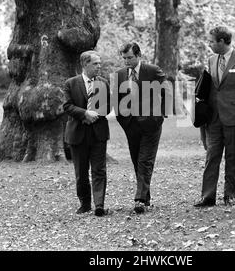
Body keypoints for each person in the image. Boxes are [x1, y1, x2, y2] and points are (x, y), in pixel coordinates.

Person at [194, 26, 235, 207]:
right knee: (211, 157)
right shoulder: (212, 59)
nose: (210, 44)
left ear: (222, 41)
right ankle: (207, 197)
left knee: (232, 157)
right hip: (213, 118)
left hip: (234, 117)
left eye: (212, 41)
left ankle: (230, 195)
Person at [114, 42, 171, 214]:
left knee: (145, 161)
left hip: (151, 124)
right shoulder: (120, 74)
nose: (127, 61)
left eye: (130, 57)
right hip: (130, 125)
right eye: (124, 58)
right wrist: (122, 120)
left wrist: (160, 115)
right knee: (136, 160)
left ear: (139, 56)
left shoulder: (152, 70)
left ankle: (139, 199)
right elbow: (116, 99)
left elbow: (166, 91)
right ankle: (145, 198)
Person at [63, 50, 111, 216]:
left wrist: (96, 113)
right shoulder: (71, 83)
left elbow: (108, 106)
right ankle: (85, 203)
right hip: (78, 134)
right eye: (95, 63)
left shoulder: (104, 83)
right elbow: (67, 106)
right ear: (85, 64)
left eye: (99, 63)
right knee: (81, 172)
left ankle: (99, 204)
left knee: (99, 170)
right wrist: (84, 114)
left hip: (99, 133)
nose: (99, 66)